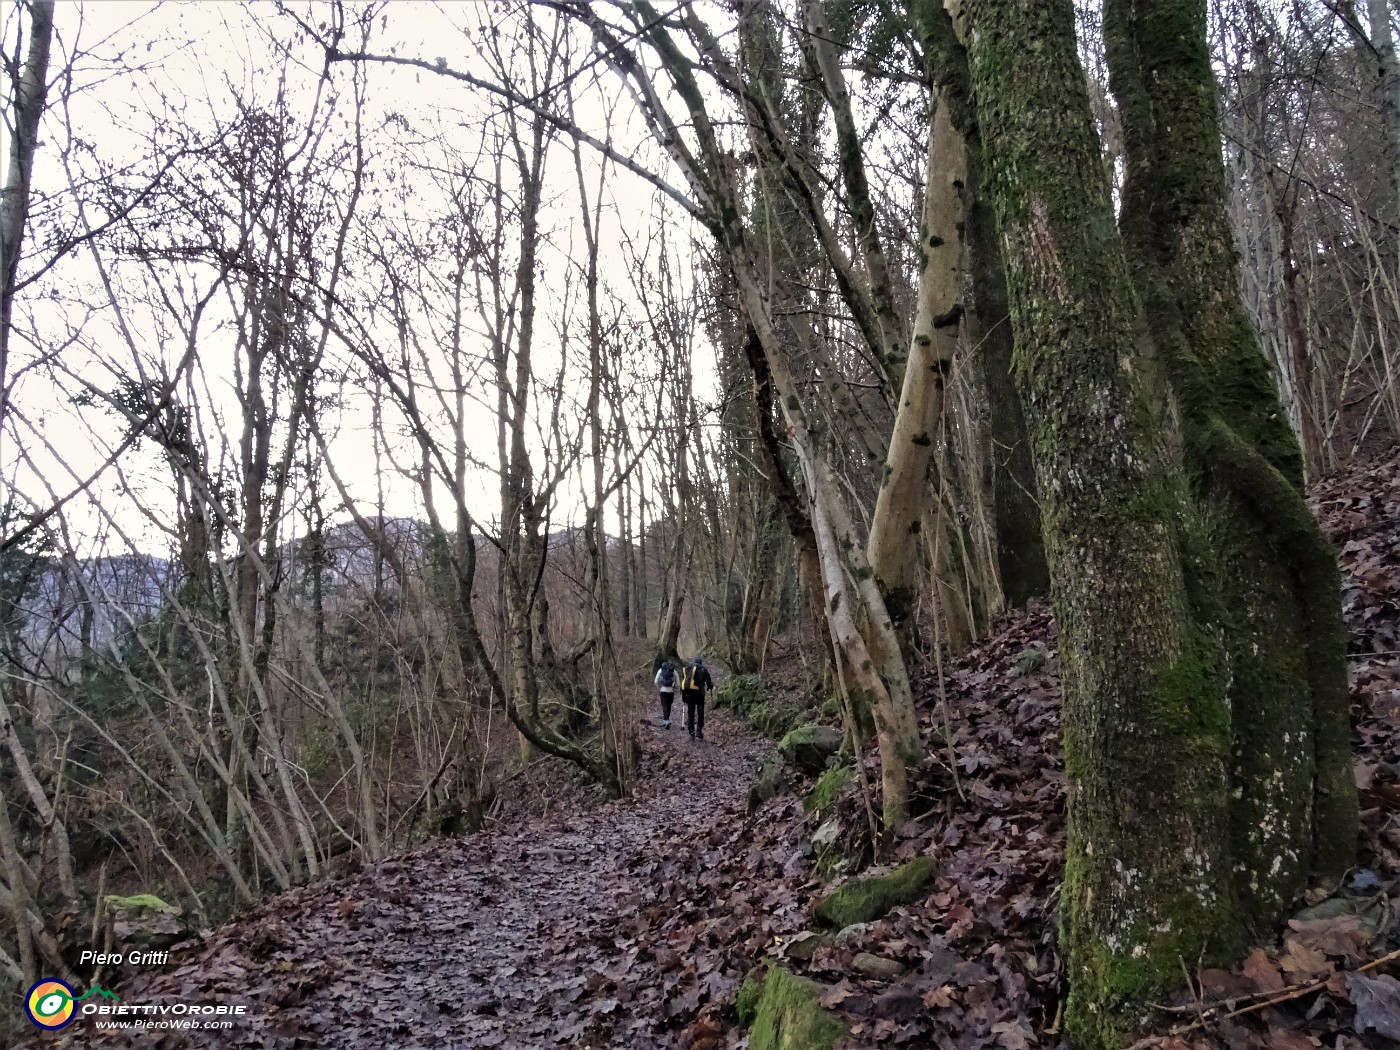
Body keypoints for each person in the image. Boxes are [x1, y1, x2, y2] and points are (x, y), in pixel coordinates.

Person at [679, 656, 714, 740]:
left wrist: (683, 696)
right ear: (701, 662)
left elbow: (683, 683)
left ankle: (691, 732)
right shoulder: (703, 669)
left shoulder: (688, 669)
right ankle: (699, 731)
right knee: (700, 712)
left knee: (691, 713)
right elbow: (709, 682)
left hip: (689, 694)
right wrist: (710, 687)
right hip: (700, 694)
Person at [654, 658, 679, 729]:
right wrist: (675, 689)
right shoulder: (674, 671)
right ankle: (667, 720)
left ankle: (666, 721)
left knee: (664, 706)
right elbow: (678, 684)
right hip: (671, 691)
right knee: (669, 705)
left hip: (663, 690)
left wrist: (659, 688)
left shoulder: (660, 670)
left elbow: (656, 681)